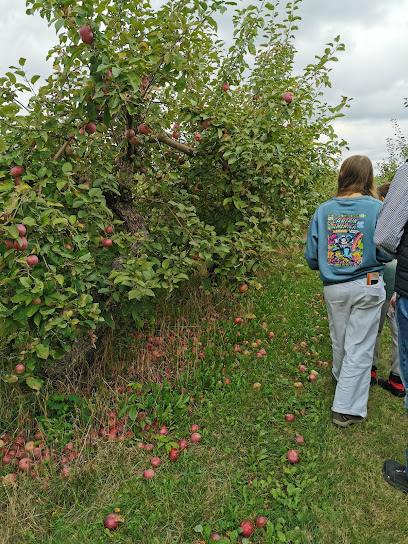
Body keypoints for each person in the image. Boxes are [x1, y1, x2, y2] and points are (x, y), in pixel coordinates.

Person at [305, 155, 391, 428]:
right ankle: (346, 408)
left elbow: (311, 255)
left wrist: (326, 263)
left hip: (335, 287)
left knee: (340, 339)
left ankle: (344, 383)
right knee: (360, 344)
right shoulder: (377, 208)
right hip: (367, 284)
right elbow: (386, 249)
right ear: (369, 178)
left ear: (342, 175)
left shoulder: (323, 210)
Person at [374, 159, 408, 493]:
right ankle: (396, 378)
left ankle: (380, 374)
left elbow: (384, 239)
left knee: (381, 327)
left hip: (393, 280)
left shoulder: (407, 173)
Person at [371, 182, 405, 397]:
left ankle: (371, 371)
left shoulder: (383, 216)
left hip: (384, 276)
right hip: (400, 282)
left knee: (374, 326)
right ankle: (397, 379)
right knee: (398, 332)